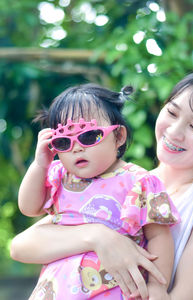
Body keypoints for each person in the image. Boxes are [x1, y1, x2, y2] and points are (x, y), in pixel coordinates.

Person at [12, 83, 180, 300]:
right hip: (55, 290)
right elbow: (29, 208)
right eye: (63, 141)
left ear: (118, 137)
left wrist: (158, 287)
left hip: (112, 291)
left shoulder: (139, 180)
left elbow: (159, 235)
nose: (77, 147)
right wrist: (40, 165)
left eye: (89, 136)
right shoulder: (59, 176)